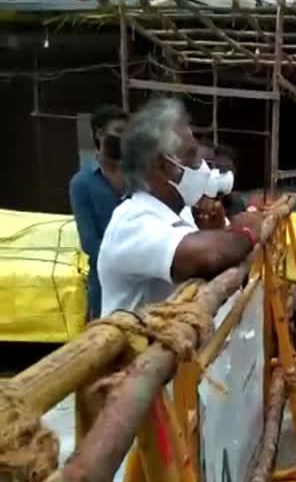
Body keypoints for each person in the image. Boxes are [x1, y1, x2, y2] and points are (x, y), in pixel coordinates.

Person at [98, 98, 263, 316]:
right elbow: (210, 256)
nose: (201, 166)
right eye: (191, 155)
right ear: (161, 164)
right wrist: (247, 230)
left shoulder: (181, 210)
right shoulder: (131, 222)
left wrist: (216, 233)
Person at [69, 105, 128, 321]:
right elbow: (89, 243)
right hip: (104, 289)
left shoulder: (138, 178)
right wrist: (131, 257)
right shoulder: (82, 183)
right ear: (100, 134)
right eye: (119, 132)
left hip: (142, 286)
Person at [209, 144, 247, 218]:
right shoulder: (198, 200)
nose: (222, 174)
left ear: (234, 171)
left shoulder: (236, 203)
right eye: (218, 167)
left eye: (226, 169)